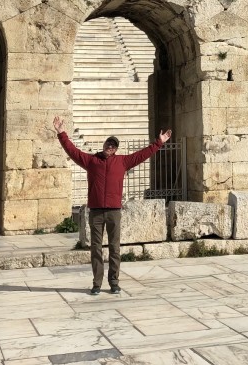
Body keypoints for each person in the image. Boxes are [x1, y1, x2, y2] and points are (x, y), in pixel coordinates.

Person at [53, 115, 171, 295]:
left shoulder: (123, 161)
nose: (110, 147)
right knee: (96, 248)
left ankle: (114, 282)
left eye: (114, 145)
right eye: (108, 144)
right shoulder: (91, 161)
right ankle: (97, 283)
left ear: (116, 149)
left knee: (115, 249)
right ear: (104, 145)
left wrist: (159, 142)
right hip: (96, 212)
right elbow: (73, 151)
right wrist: (62, 133)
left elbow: (142, 155)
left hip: (114, 211)